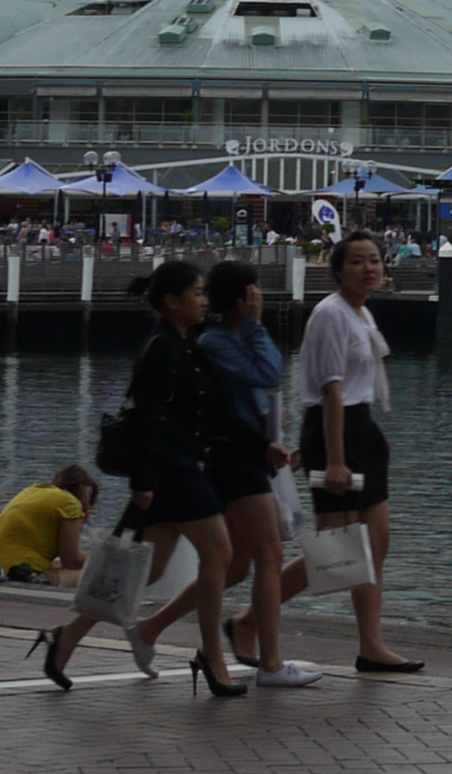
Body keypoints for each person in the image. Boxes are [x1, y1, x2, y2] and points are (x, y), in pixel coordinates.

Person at [34, 262, 248, 697]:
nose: (204, 301)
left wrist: (259, 444)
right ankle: (212, 655)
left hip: (178, 467)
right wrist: (145, 480)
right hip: (171, 469)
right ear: (171, 301)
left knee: (141, 572)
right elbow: (148, 416)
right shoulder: (162, 347)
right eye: (197, 294)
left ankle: (66, 638)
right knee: (219, 553)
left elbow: (208, 411)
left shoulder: (186, 343)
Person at [147, 259, 315, 687]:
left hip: (250, 449)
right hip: (232, 455)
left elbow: (266, 381)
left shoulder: (229, 338)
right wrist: (256, 326)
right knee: (270, 555)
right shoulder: (217, 341)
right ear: (243, 299)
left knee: (237, 564)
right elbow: (268, 374)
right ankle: (271, 662)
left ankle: (152, 627)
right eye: (254, 291)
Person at [296, 230, 418, 672]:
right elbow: (330, 389)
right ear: (337, 270)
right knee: (334, 548)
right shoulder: (331, 314)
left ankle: (371, 644)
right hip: (338, 429)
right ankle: (251, 620)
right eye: (357, 261)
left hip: (362, 426)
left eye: (375, 260)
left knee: (374, 544)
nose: (369, 269)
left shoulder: (361, 312)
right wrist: (332, 459)